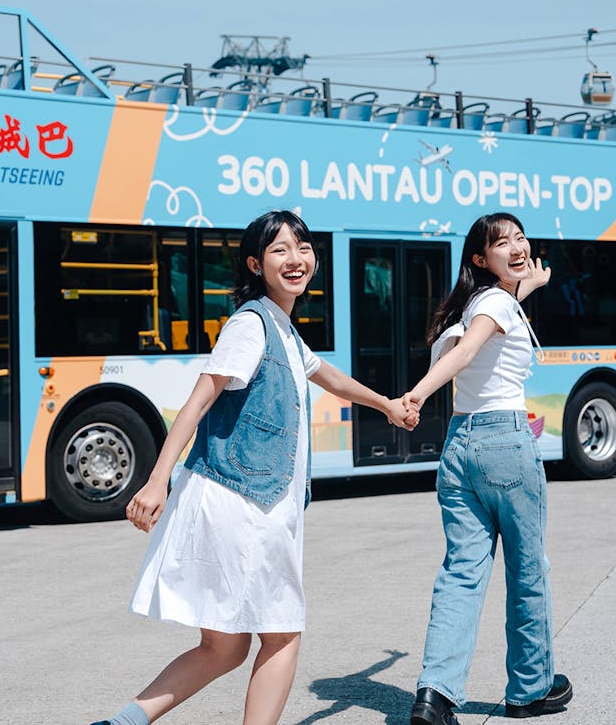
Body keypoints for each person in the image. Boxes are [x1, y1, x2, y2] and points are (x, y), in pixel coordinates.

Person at [92, 210, 417, 725]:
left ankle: (120, 723)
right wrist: (156, 482)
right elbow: (198, 402)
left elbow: (326, 375)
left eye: (303, 247)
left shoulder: (283, 329)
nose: (296, 259)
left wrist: (386, 404)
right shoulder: (251, 324)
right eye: (280, 250)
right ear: (254, 263)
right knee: (282, 632)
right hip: (244, 503)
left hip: (248, 500)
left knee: (225, 648)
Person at [402, 212, 572, 723]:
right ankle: (529, 688)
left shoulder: (470, 306)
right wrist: (417, 393)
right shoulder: (494, 306)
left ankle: (435, 695)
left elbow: (485, 325)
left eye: (521, 238)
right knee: (527, 570)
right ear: (480, 258)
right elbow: (473, 348)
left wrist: (534, 280)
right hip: (504, 443)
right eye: (503, 244)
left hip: (459, 447)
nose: (518, 248)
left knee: (461, 573)